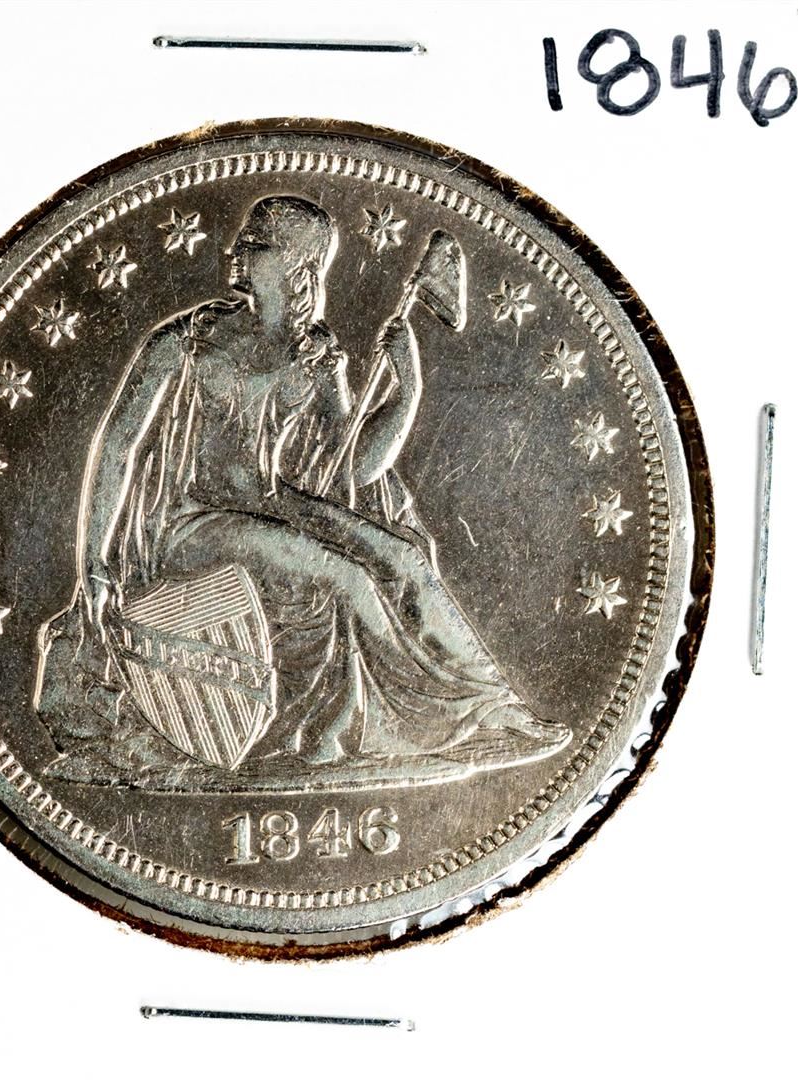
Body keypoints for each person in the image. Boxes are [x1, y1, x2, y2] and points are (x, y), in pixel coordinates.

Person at [34, 195, 570, 787]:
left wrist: (407, 388)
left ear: (297, 265)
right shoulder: (185, 342)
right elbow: (117, 444)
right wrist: (93, 564)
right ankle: (380, 730)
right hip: (193, 524)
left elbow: (354, 470)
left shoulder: (316, 353)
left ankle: (494, 708)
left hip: (278, 505)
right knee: (349, 577)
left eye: (255, 244)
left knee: (404, 558)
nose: (235, 250)